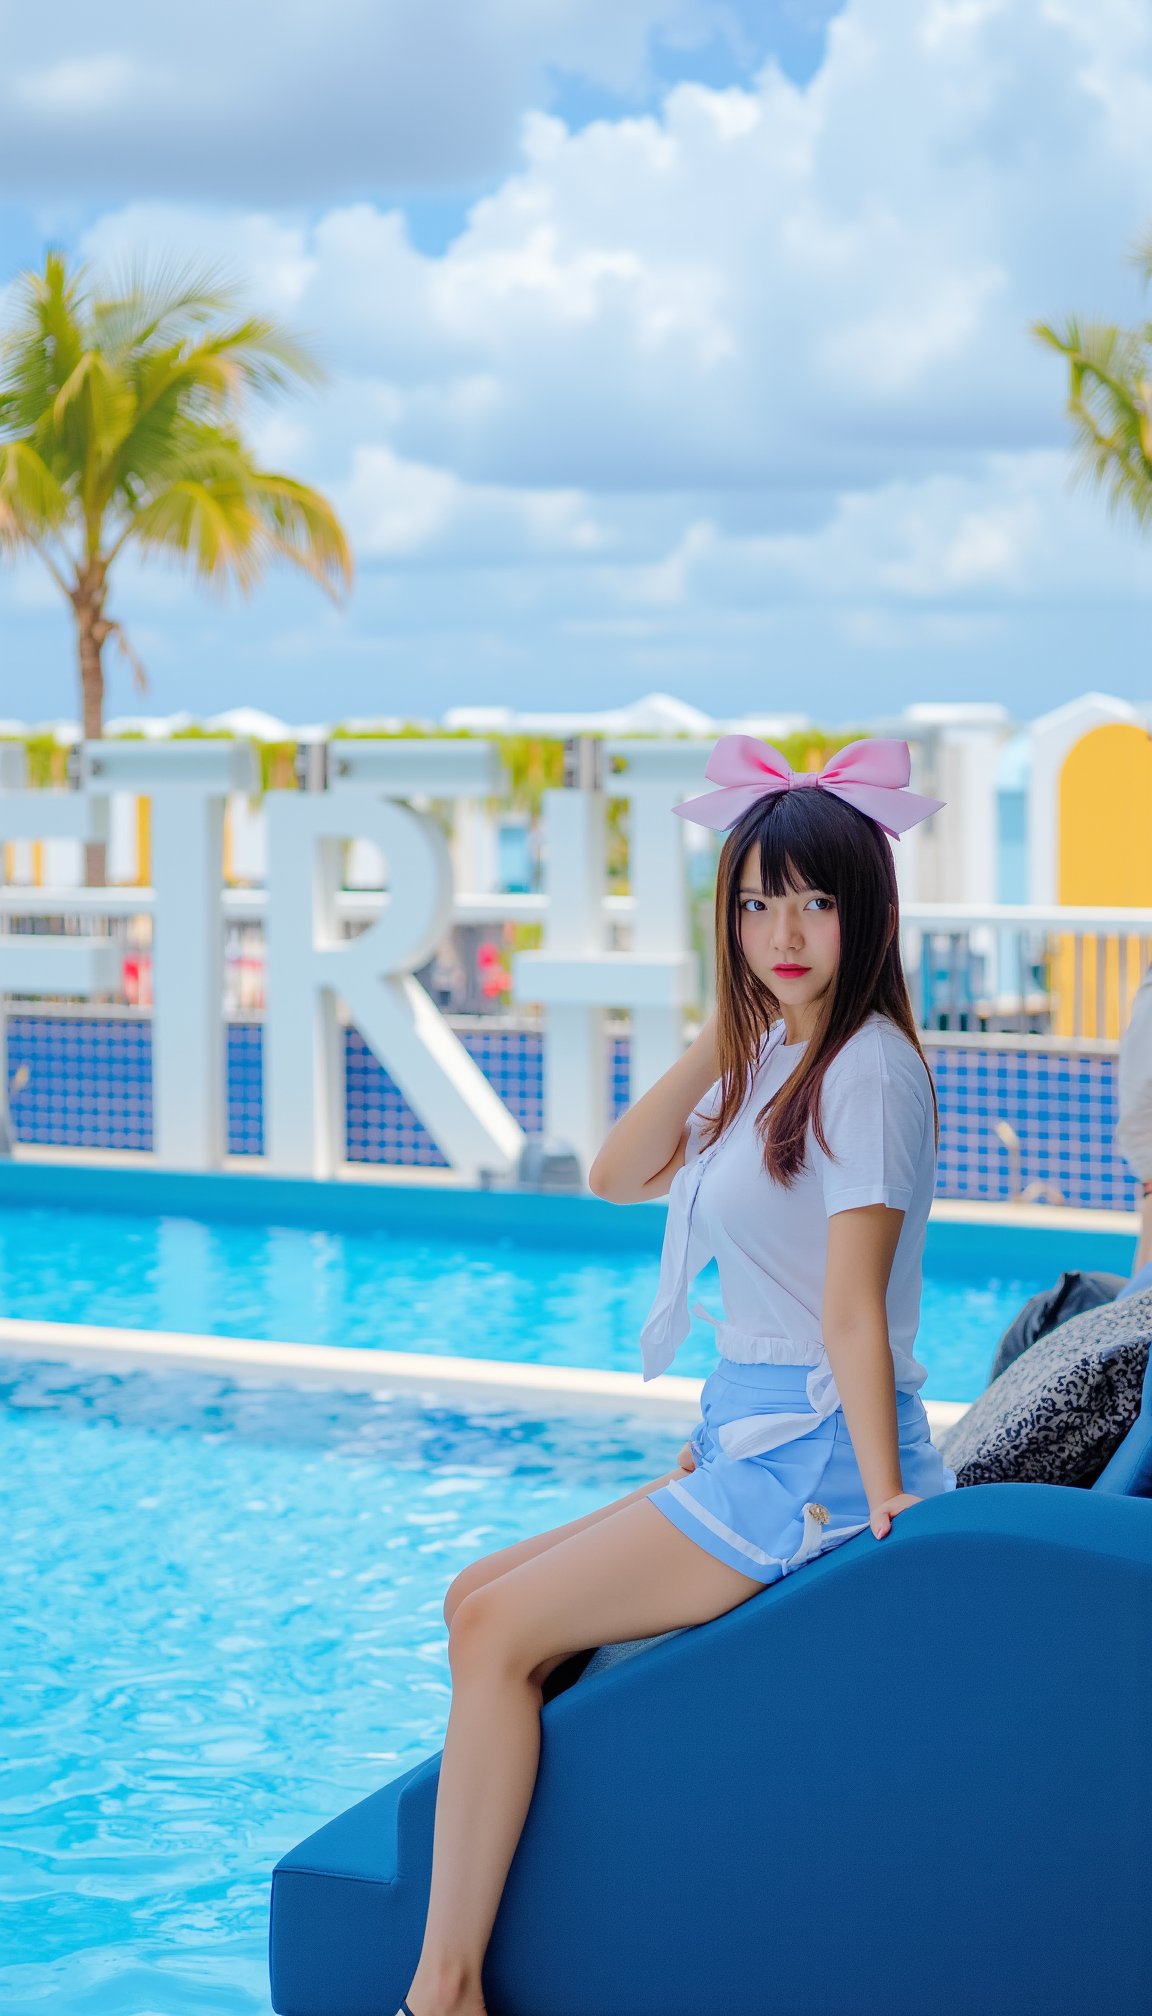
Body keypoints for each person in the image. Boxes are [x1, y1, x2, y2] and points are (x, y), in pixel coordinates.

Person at [394, 735, 957, 2016]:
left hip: (806, 1468)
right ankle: (534, 1906)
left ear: (866, 907)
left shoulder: (868, 1067)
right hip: (746, 1446)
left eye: (815, 899)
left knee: (491, 1629)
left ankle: (447, 1986)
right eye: (756, 902)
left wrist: (885, 1514)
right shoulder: (777, 1058)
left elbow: (854, 1316)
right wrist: (730, 1027)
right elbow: (615, 1169)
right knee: (474, 1597)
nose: (785, 930)